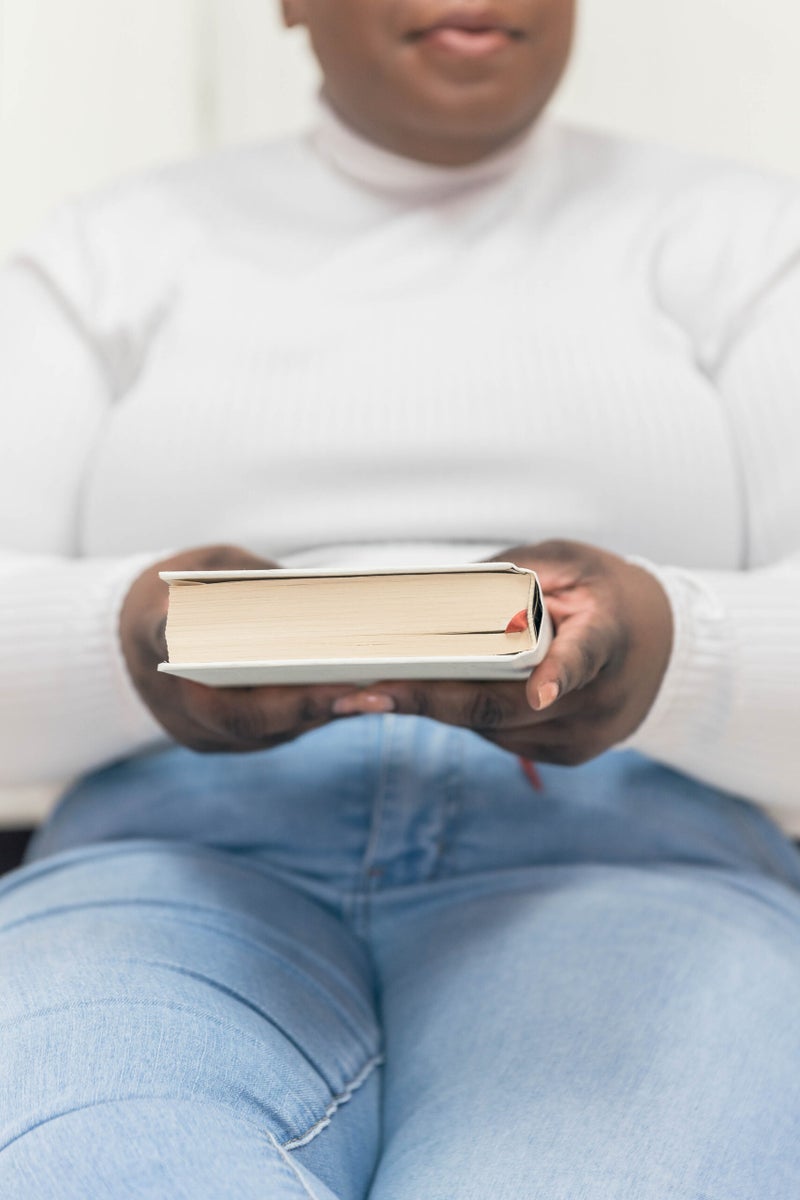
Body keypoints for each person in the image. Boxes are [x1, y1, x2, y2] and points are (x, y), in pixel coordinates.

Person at [1, 0, 799, 1195]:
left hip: (631, 859)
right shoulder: (103, 254)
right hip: (171, 859)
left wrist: (665, 652)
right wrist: (133, 642)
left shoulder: (743, 239)